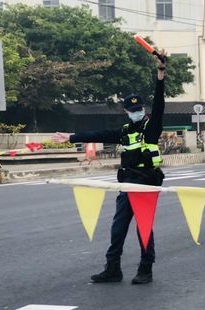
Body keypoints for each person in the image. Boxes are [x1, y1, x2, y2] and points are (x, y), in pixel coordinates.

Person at [53, 50, 167, 285]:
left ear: (143, 109)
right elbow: (98, 133)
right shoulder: (124, 132)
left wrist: (161, 73)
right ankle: (113, 268)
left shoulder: (152, 126)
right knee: (118, 228)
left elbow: (160, 101)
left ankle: (146, 269)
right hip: (127, 184)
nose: (137, 112)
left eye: (139, 108)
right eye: (132, 110)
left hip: (147, 183)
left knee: (143, 228)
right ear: (125, 111)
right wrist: (71, 137)